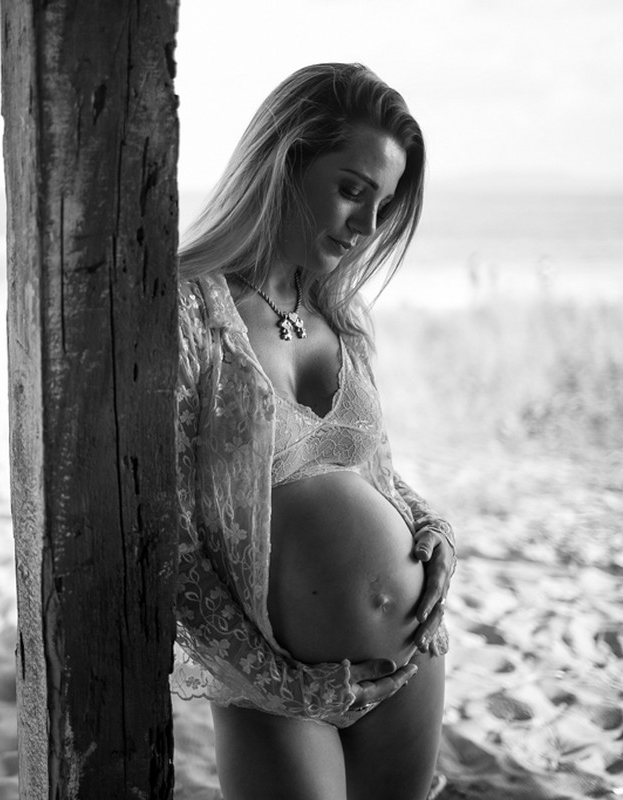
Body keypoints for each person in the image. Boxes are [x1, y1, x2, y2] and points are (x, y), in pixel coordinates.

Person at [172, 63, 457, 800]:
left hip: (409, 665)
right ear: (285, 163)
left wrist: (432, 530)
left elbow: (369, 475)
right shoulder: (190, 311)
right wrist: (279, 682)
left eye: (384, 204)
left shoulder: (340, 314)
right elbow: (167, 534)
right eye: (352, 190)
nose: (367, 227)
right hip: (275, 691)